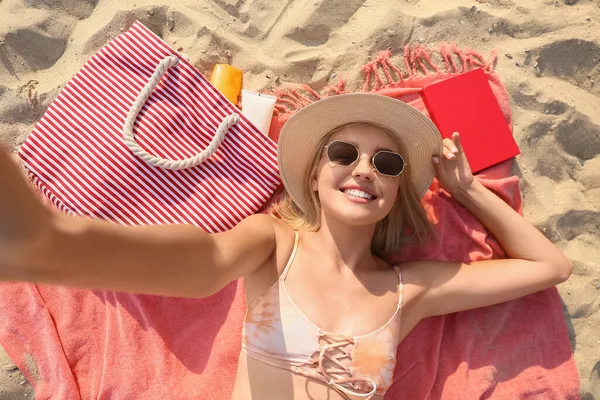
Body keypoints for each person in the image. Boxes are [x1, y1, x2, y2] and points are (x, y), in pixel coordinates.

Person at [0, 93, 572, 400]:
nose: (364, 170)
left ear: (397, 191)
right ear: (317, 175)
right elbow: (204, 264)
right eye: (344, 154)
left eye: (387, 162)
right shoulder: (277, 244)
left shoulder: (409, 289)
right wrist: (59, 245)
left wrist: (467, 190)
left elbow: (551, 266)